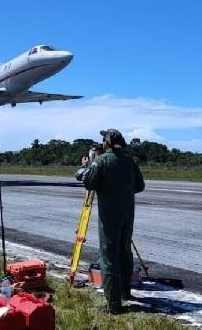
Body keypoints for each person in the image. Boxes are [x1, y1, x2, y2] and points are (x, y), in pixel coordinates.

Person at [81, 129, 145, 314]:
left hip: (109, 216)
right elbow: (140, 186)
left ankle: (113, 304)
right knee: (125, 252)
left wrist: (89, 165)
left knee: (108, 256)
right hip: (127, 214)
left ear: (107, 142)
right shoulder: (128, 160)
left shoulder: (102, 160)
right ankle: (125, 293)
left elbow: (90, 183)